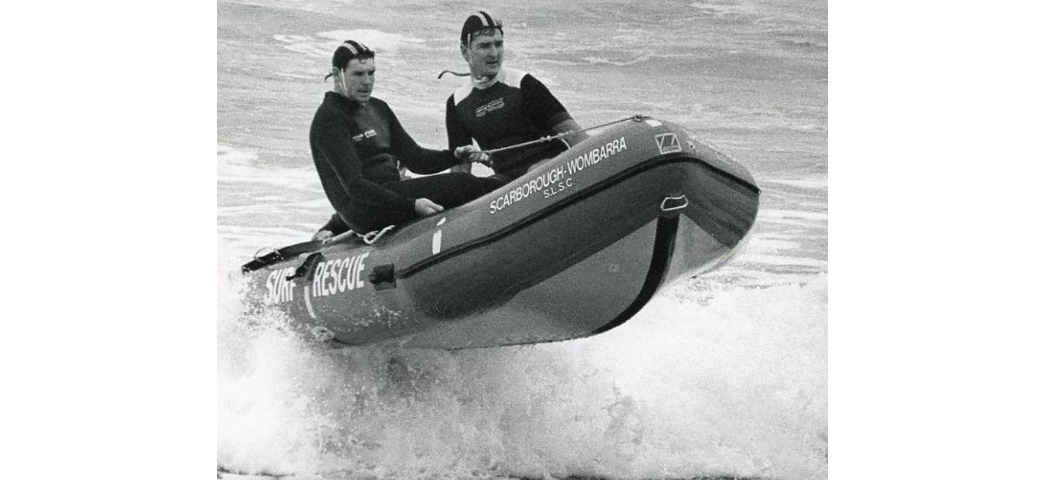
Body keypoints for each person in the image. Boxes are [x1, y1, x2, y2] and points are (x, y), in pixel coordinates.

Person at [310, 40, 490, 241]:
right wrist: (411, 205)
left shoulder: (378, 108)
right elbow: (355, 186)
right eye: (358, 74)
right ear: (337, 74)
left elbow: (416, 159)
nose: (367, 81)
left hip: (391, 194)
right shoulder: (329, 119)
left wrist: (455, 156)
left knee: (489, 185)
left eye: (371, 73)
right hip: (362, 209)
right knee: (466, 185)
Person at [445, 11, 587, 186]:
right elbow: (460, 172)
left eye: (498, 44)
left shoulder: (523, 83)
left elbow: (576, 136)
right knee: (477, 187)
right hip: (508, 186)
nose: (494, 53)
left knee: (537, 171)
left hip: (549, 170)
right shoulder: (457, 103)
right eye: (484, 46)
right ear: (465, 51)